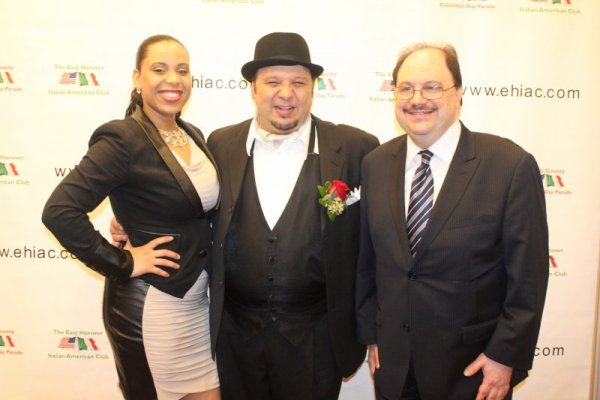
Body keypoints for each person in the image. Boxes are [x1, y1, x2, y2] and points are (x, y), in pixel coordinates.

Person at [355, 43, 549, 400]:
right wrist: (373, 335)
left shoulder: (509, 166)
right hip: (395, 369)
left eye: (432, 87)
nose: (417, 99)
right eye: (406, 88)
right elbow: (369, 263)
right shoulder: (376, 164)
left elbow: (528, 281)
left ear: (458, 93)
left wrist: (505, 356)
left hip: (472, 372)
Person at [42, 35, 221, 400]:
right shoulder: (122, 138)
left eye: (182, 70)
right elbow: (59, 211)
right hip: (152, 306)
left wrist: (130, 217)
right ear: (138, 78)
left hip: (197, 306)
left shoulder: (192, 134)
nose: (173, 79)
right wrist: (123, 262)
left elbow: (188, 209)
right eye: (159, 69)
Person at [207, 32, 379, 400]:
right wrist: (137, 225)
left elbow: (381, 235)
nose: (286, 93)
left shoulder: (355, 148)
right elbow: (193, 212)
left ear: (313, 88)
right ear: (253, 88)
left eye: (298, 82)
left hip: (317, 339)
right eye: (273, 82)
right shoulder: (219, 144)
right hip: (235, 337)